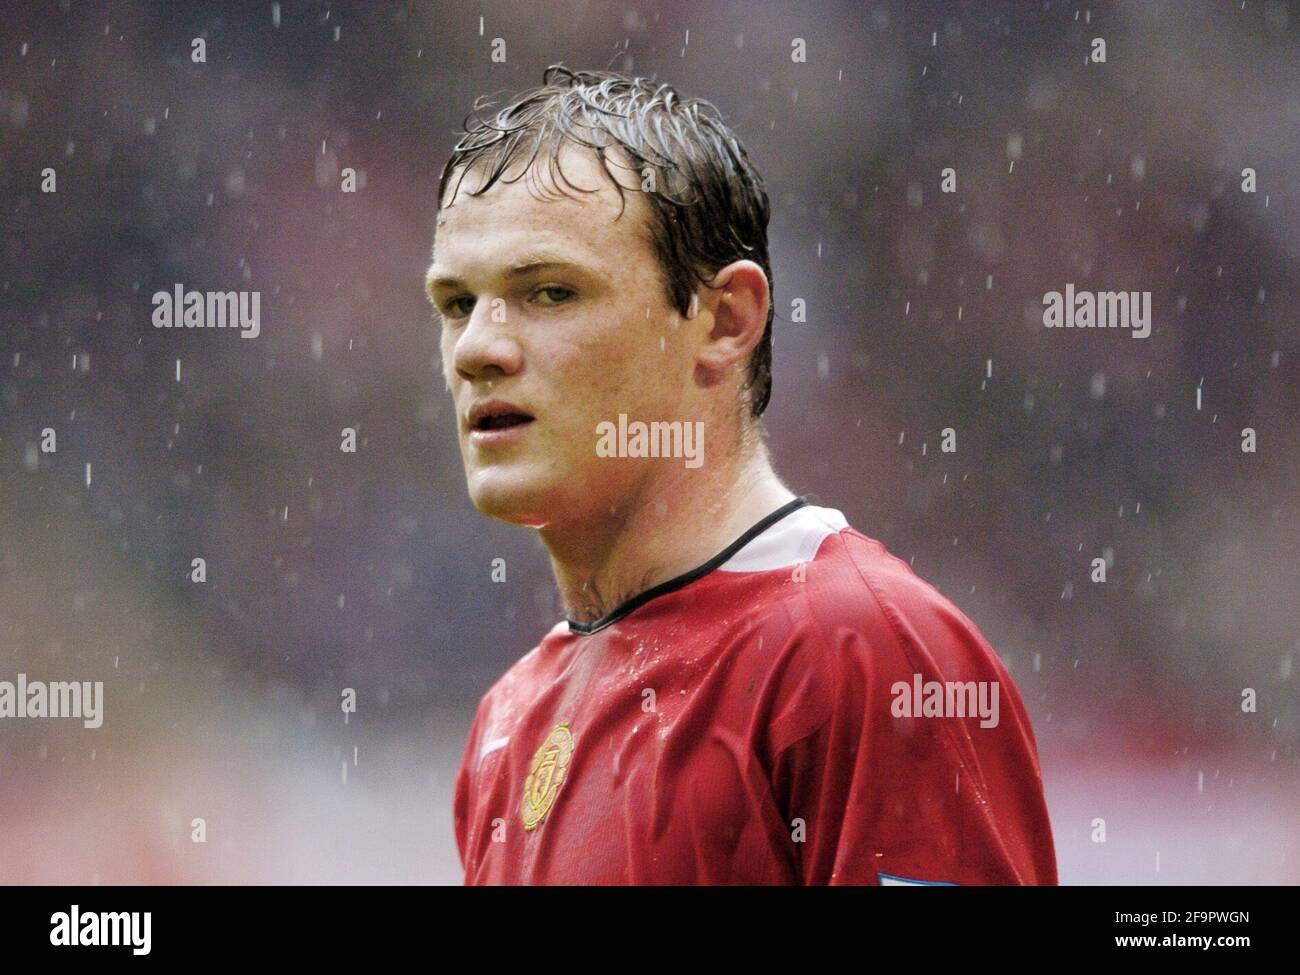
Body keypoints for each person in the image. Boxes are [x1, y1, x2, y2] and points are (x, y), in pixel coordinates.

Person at [429, 65, 1057, 885]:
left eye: (550, 292)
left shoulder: (862, 653)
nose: (478, 347)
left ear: (726, 321)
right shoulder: (509, 720)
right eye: (455, 303)